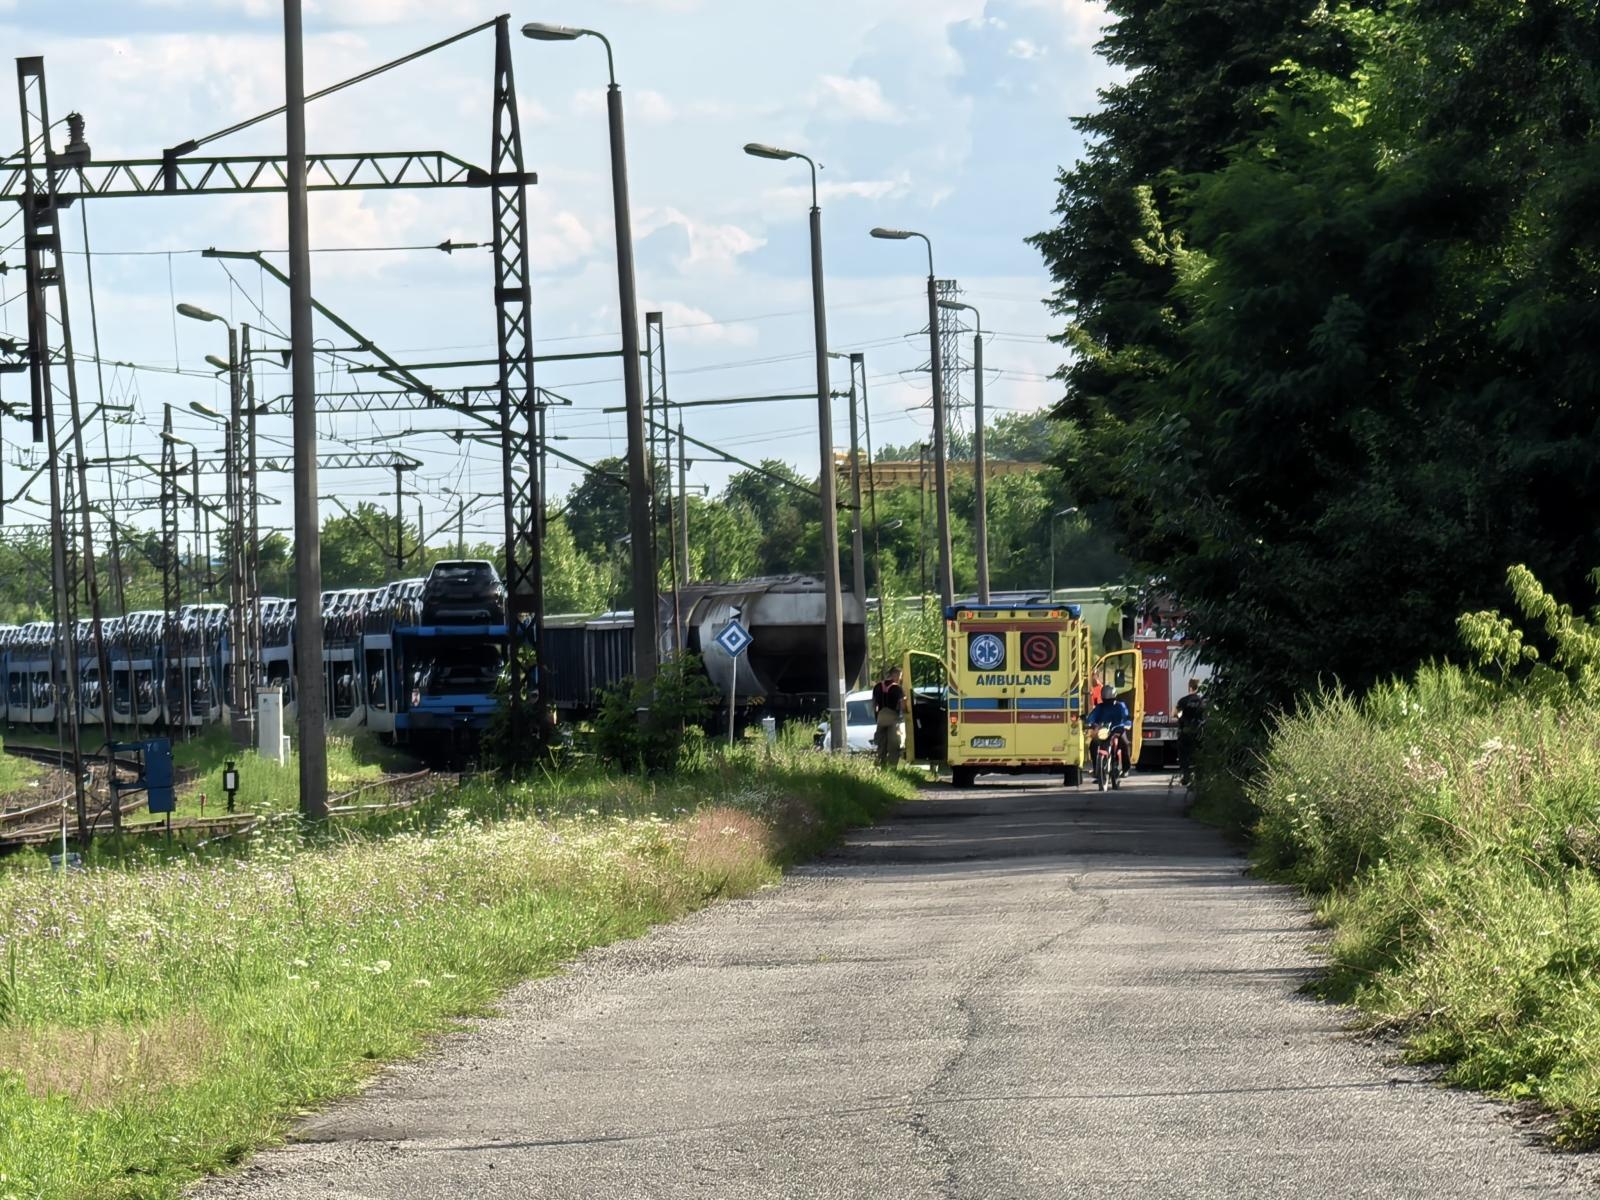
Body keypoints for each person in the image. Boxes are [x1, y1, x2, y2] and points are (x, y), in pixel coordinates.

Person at [1084, 684, 1133, 777]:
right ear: (1102, 698)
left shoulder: (1120, 706)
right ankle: (1097, 770)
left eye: (1110, 700)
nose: (1108, 702)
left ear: (1115, 697)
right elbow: (1092, 717)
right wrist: (1089, 722)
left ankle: (1126, 768)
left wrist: (1127, 723)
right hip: (1104, 731)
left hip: (1117, 730)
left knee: (1125, 743)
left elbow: (1126, 716)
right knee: (1093, 744)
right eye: (1106, 700)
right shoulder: (1100, 707)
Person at [871, 665, 906, 768]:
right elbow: (903, 704)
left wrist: (877, 718)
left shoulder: (877, 687)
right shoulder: (897, 688)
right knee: (893, 745)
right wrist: (904, 714)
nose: (900, 679)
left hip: (881, 719)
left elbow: (874, 705)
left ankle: (881, 766)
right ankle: (892, 768)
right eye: (900, 676)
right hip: (892, 719)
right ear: (896, 675)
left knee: (881, 744)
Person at [1176, 677, 1207, 786]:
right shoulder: (1202, 701)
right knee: (1199, 754)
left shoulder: (1183, 701)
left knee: (1184, 754)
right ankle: (1200, 777)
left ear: (1189, 687)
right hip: (1199, 732)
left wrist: (1181, 719)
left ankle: (1186, 776)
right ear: (1199, 687)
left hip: (1185, 731)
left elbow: (1177, 714)